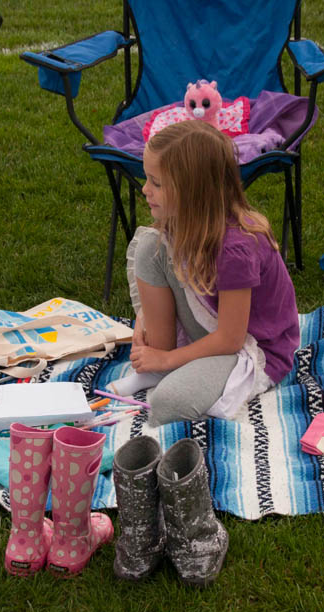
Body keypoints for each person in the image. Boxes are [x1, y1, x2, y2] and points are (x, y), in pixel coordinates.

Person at [112, 120, 299, 425]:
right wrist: (142, 331)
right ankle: (159, 366)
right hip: (213, 328)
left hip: (249, 349)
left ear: (192, 190)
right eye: (147, 179)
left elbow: (231, 339)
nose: (145, 190)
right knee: (151, 246)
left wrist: (170, 359)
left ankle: (168, 366)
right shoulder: (187, 223)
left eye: (156, 183)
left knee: (169, 403)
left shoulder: (236, 248)